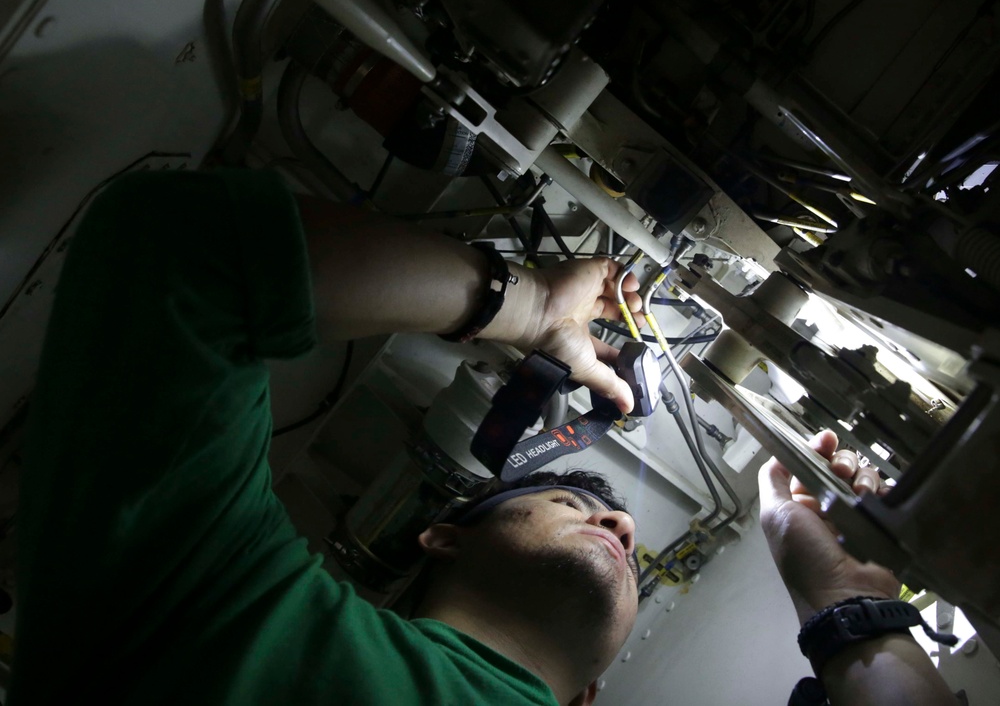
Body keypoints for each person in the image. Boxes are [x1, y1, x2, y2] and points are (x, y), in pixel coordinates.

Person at [8, 170, 956, 705]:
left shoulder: (212, 603)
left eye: (601, 512)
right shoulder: (222, 606)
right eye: (580, 500)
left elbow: (183, 256)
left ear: (590, 698)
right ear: (441, 533)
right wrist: (531, 306)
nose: (622, 528)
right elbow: (177, 250)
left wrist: (832, 592)